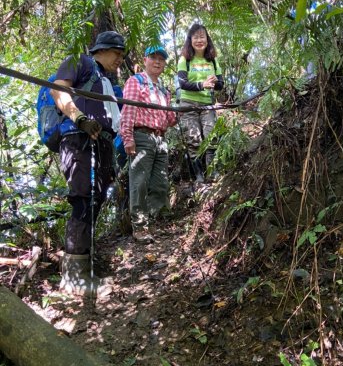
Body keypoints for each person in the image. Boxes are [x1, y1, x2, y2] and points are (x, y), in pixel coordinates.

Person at [51, 30, 126, 296]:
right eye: (117, 52)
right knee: (83, 199)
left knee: (96, 199)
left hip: (103, 144)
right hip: (78, 140)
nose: (120, 58)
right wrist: (80, 118)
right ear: (101, 50)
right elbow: (58, 90)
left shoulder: (108, 81)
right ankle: (74, 279)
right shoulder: (79, 62)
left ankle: (84, 267)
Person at [120, 45, 177, 242]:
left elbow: (170, 118)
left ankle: (160, 221)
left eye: (161, 58)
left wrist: (185, 111)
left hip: (160, 139)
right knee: (139, 183)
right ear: (145, 60)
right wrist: (128, 138)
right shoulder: (136, 82)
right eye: (153, 57)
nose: (157, 61)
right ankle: (140, 227)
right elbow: (128, 110)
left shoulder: (164, 89)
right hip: (141, 136)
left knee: (160, 183)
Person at [177, 23, 224, 183]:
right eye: (195, 37)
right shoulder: (185, 59)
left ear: (207, 39)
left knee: (211, 137)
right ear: (190, 40)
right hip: (188, 104)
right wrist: (201, 84)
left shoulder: (213, 60)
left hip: (207, 104)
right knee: (193, 140)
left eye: (202, 36)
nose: (199, 40)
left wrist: (214, 82)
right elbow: (182, 83)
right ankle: (198, 176)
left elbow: (220, 85)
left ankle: (212, 172)